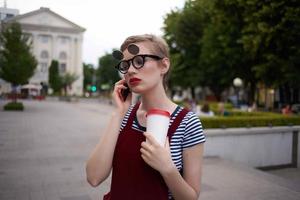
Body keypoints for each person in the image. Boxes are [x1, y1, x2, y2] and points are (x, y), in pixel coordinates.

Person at [86, 34, 206, 200]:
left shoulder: (187, 123)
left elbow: (190, 197)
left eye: (139, 61)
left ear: (163, 65)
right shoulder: (125, 116)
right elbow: (94, 177)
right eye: (125, 64)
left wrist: (167, 168)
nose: (130, 70)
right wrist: (118, 113)